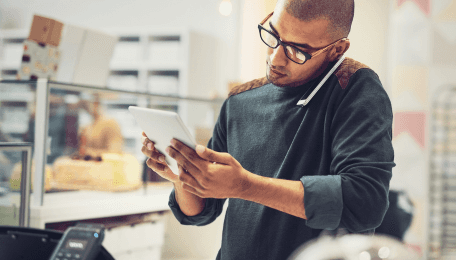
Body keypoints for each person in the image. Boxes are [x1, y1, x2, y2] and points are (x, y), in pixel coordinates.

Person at [141, 0, 395, 259]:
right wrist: (184, 176)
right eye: (273, 35)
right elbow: (201, 212)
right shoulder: (239, 101)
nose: (275, 58)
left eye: (297, 51)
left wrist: (246, 186)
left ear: (336, 49)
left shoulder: (354, 89)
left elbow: (364, 203)